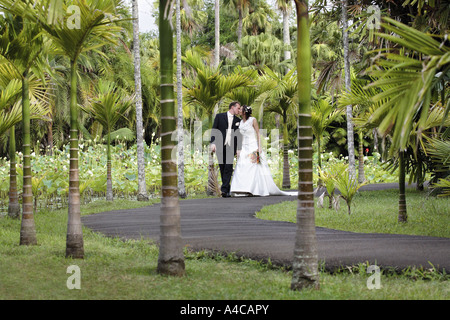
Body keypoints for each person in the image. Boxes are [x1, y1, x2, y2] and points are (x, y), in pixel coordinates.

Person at [230, 105, 296, 197]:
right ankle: (242, 189)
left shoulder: (252, 120)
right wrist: (239, 149)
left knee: (253, 166)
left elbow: (258, 133)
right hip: (244, 147)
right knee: (242, 166)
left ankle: (253, 189)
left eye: (240, 109)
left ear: (244, 112)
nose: (239, 110)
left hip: (253, 146)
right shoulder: (240, 122)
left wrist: (259, 147)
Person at [210, 101, 242, 197]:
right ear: (232, 107)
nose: (239, 110)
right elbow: (214, 130)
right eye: (238, 108)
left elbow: (238, 136)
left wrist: (238, 148)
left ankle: (224, 190)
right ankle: (226, 189)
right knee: (222, 167)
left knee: (228, 167)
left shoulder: (238, 120)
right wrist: (213, 143)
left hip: (231, 146)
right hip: (219, 145)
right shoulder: (219, 116)